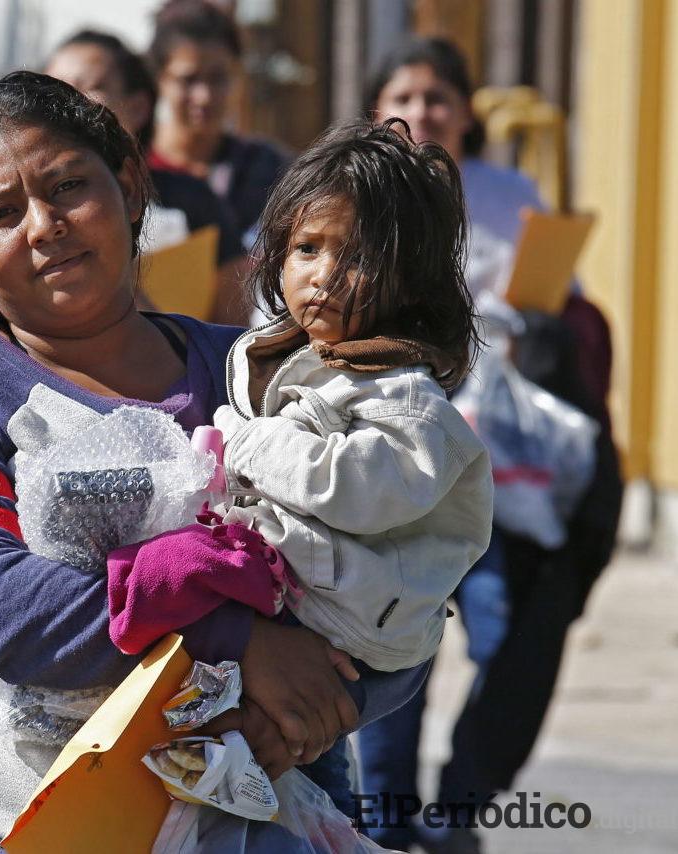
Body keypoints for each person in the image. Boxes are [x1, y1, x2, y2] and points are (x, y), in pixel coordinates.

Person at [0, 71, 451, 853]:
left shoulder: (261, 371)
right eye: (2, 213)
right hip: (37, 832)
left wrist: (311, 710)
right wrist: (232, 642)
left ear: (132, 187)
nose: (44, 225)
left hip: (268, 822)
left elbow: (403, 582)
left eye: (70, 186)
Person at [105, 118, 490, 707]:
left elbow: (353, 491)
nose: (324, 276)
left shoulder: (410, 401)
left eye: (357, 256)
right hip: (300, 591)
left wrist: (244, 440)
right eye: (307, 248)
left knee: (299, 770)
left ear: (411, 279)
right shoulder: (279, 355)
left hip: (356, 620)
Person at [357, 37, 624, 854]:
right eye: (405, 94)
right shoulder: (356, 193)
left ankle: (458, 810)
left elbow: (564, 309)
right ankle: (385, 821)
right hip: (389, 466)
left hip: (496, 473)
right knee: (389, 644)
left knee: (508, 637)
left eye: (439, 96)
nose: (424, 111)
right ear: (376, 110)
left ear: (467, 111)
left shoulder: (511, 194)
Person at [44, 29, 248, 319]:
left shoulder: (194, 200)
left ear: (138, 107)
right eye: (52, 90)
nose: (63, 105)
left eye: (88, 86)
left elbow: (235, 327)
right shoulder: (30, 211)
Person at [147, 0, 289, 251]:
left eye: (218, 78)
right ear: (160, 79)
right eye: (188, 80)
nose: (204, 96)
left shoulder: (269, 170)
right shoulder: (136, 170)